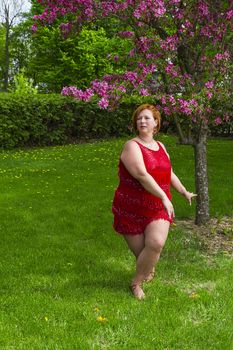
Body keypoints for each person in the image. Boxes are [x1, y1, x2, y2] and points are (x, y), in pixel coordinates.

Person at [112, 104, 197, 300]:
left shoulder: (161, 146)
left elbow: (168, 172)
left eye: (147, 118)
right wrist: (164, 196)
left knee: (156, 243)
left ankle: (136, 283)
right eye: (139, 118)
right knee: (143, 253)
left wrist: (183, 191)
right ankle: (147, 270)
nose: (142, 121)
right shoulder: (131, 146)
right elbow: (142, 175)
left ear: (156, 123)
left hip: (158, 205)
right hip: (130, 208)